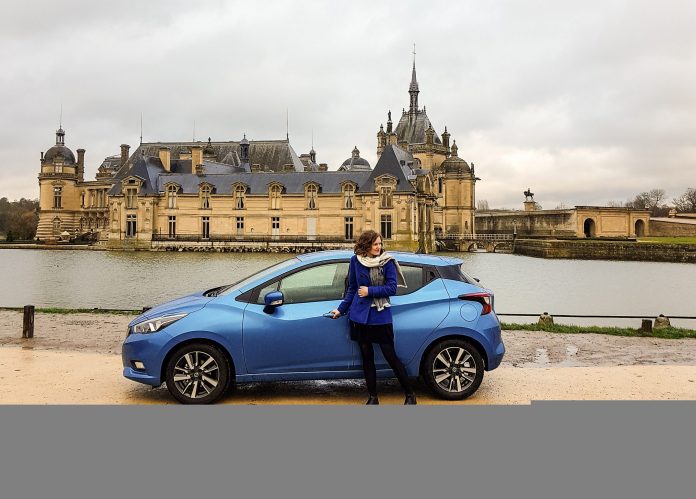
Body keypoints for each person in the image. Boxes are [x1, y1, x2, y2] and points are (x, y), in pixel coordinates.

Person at [329, 230, 417, 405]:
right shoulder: (355, 260)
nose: (379, 247)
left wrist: (370, 291)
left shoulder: (387, 262)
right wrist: (341, 309)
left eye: (380, 244)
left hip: (380, 316)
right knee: (367, 357)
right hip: (359, 317)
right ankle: (373, 397)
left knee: (391, 356)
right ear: (366, 245)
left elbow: (392, 288)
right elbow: (352, 289)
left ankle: (410, 395)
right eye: (375, 244)